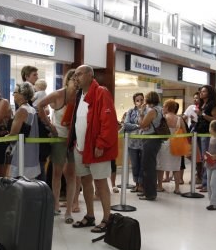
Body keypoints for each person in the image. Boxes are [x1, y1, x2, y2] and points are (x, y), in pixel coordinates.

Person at [67, 65, 118, 233]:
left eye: (79, 74)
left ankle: (107, 218)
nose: (76, 78)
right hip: (80, 146)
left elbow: (108, 121)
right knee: (85, 181)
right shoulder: (79, 95)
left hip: (96, 148)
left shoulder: (101, 92)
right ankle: (90, 215)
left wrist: (101, 144)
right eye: (75, 75)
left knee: (101, 183)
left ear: (90, 75)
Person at [36, 69, 77, 224]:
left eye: (78, 78)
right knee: (57, 173)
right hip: (59, 138)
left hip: (73, 139)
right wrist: (50, 126)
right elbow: (40, 106)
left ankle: (69, 210)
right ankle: (55, 206)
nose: (76, 81)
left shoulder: (80, 96)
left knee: (71, 174)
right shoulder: (59, 94)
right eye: (74, 78)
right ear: (68, 79)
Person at [8, 82, 40, 179]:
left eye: (15, 92)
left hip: (22, 154)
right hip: (32, 153)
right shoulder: (32, 110)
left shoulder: (22, 110)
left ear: (22, 94)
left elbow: (14, 133)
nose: (13, 95)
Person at [137, 91, 163, 201]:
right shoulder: (159, 109)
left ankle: (150, 193)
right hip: (154, 140)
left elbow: (142, 124)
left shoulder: (152, 111)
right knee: (149, 166)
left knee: (148, 167)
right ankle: (148, 191)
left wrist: (141, 112)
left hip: (150, 140)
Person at [194, 85, 216, 192]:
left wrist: (202, 114)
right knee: (203, 158)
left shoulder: (212, 104)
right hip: (200, 132)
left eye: (204, 91)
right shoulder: (201, 104)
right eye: (201, 91)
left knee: (207, 158)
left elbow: (215, 119)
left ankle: (207, 183)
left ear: (209, 93)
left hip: (207, 133)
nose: (201, 93)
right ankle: (204, 182)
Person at [156, 100, 183, 194]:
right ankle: (177, 188)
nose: (163, 108)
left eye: (164, 106)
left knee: (160, 166)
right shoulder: (179, 119)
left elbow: (158, 130)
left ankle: (159, 186)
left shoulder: (163, 118)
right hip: (176, 144)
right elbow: (183, 130)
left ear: (167, 107)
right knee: (176, 167)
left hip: (164, 143)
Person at [122, 92, 145, 193]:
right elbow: (126, 124)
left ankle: (141, 184)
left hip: (144, 141)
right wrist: (138, 126)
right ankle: (136, 183)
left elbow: (147, 124)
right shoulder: (130, 111)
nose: (140, 102)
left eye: (142, 99)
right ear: (134, 102)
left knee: (143, 163)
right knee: (135, 164)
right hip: (132, 142)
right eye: (137, 100)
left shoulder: (148, 111)